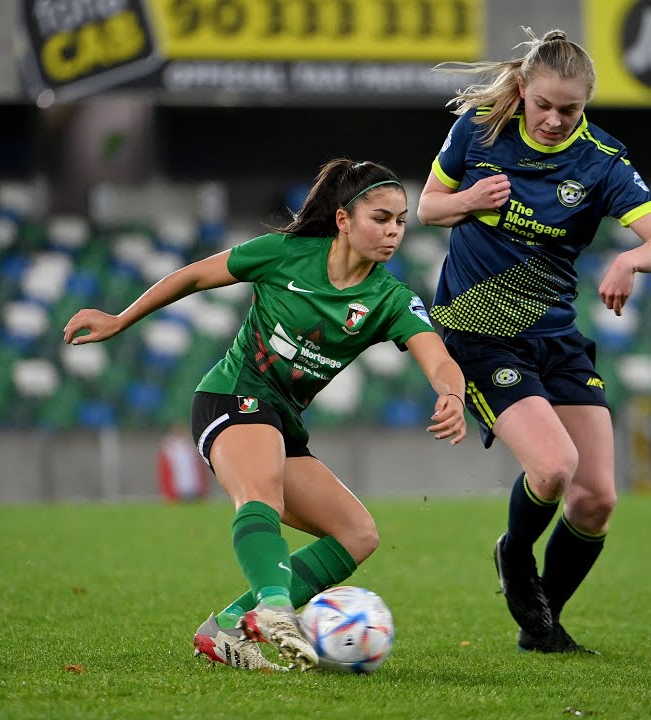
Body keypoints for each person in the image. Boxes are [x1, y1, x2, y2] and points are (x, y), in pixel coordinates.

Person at [62, 159, 468, 672]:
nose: (393, 232)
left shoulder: (389, 297)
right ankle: (275, 607)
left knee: (357, 534)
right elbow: (194, 277)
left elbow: (438, 357)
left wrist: (451, 396)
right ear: (343, 220)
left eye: (401, 221)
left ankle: (231, 625)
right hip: (231, 399)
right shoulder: (285, 254)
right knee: (262, 496)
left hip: (280, 423)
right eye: (381, 218)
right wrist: (121, 319)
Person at [416, 27, 651, 654]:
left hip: (554, 335)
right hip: (477, 332)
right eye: (544, 105)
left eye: (571, 109)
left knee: (596, 500)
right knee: (554, 466)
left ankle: (542, 627)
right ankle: (515, 557)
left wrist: (631, 262)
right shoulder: (480, 130)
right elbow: (426, 207)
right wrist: (469, 200)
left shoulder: (602, 160)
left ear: (586, 105)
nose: (555, 120)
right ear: (522, 90)